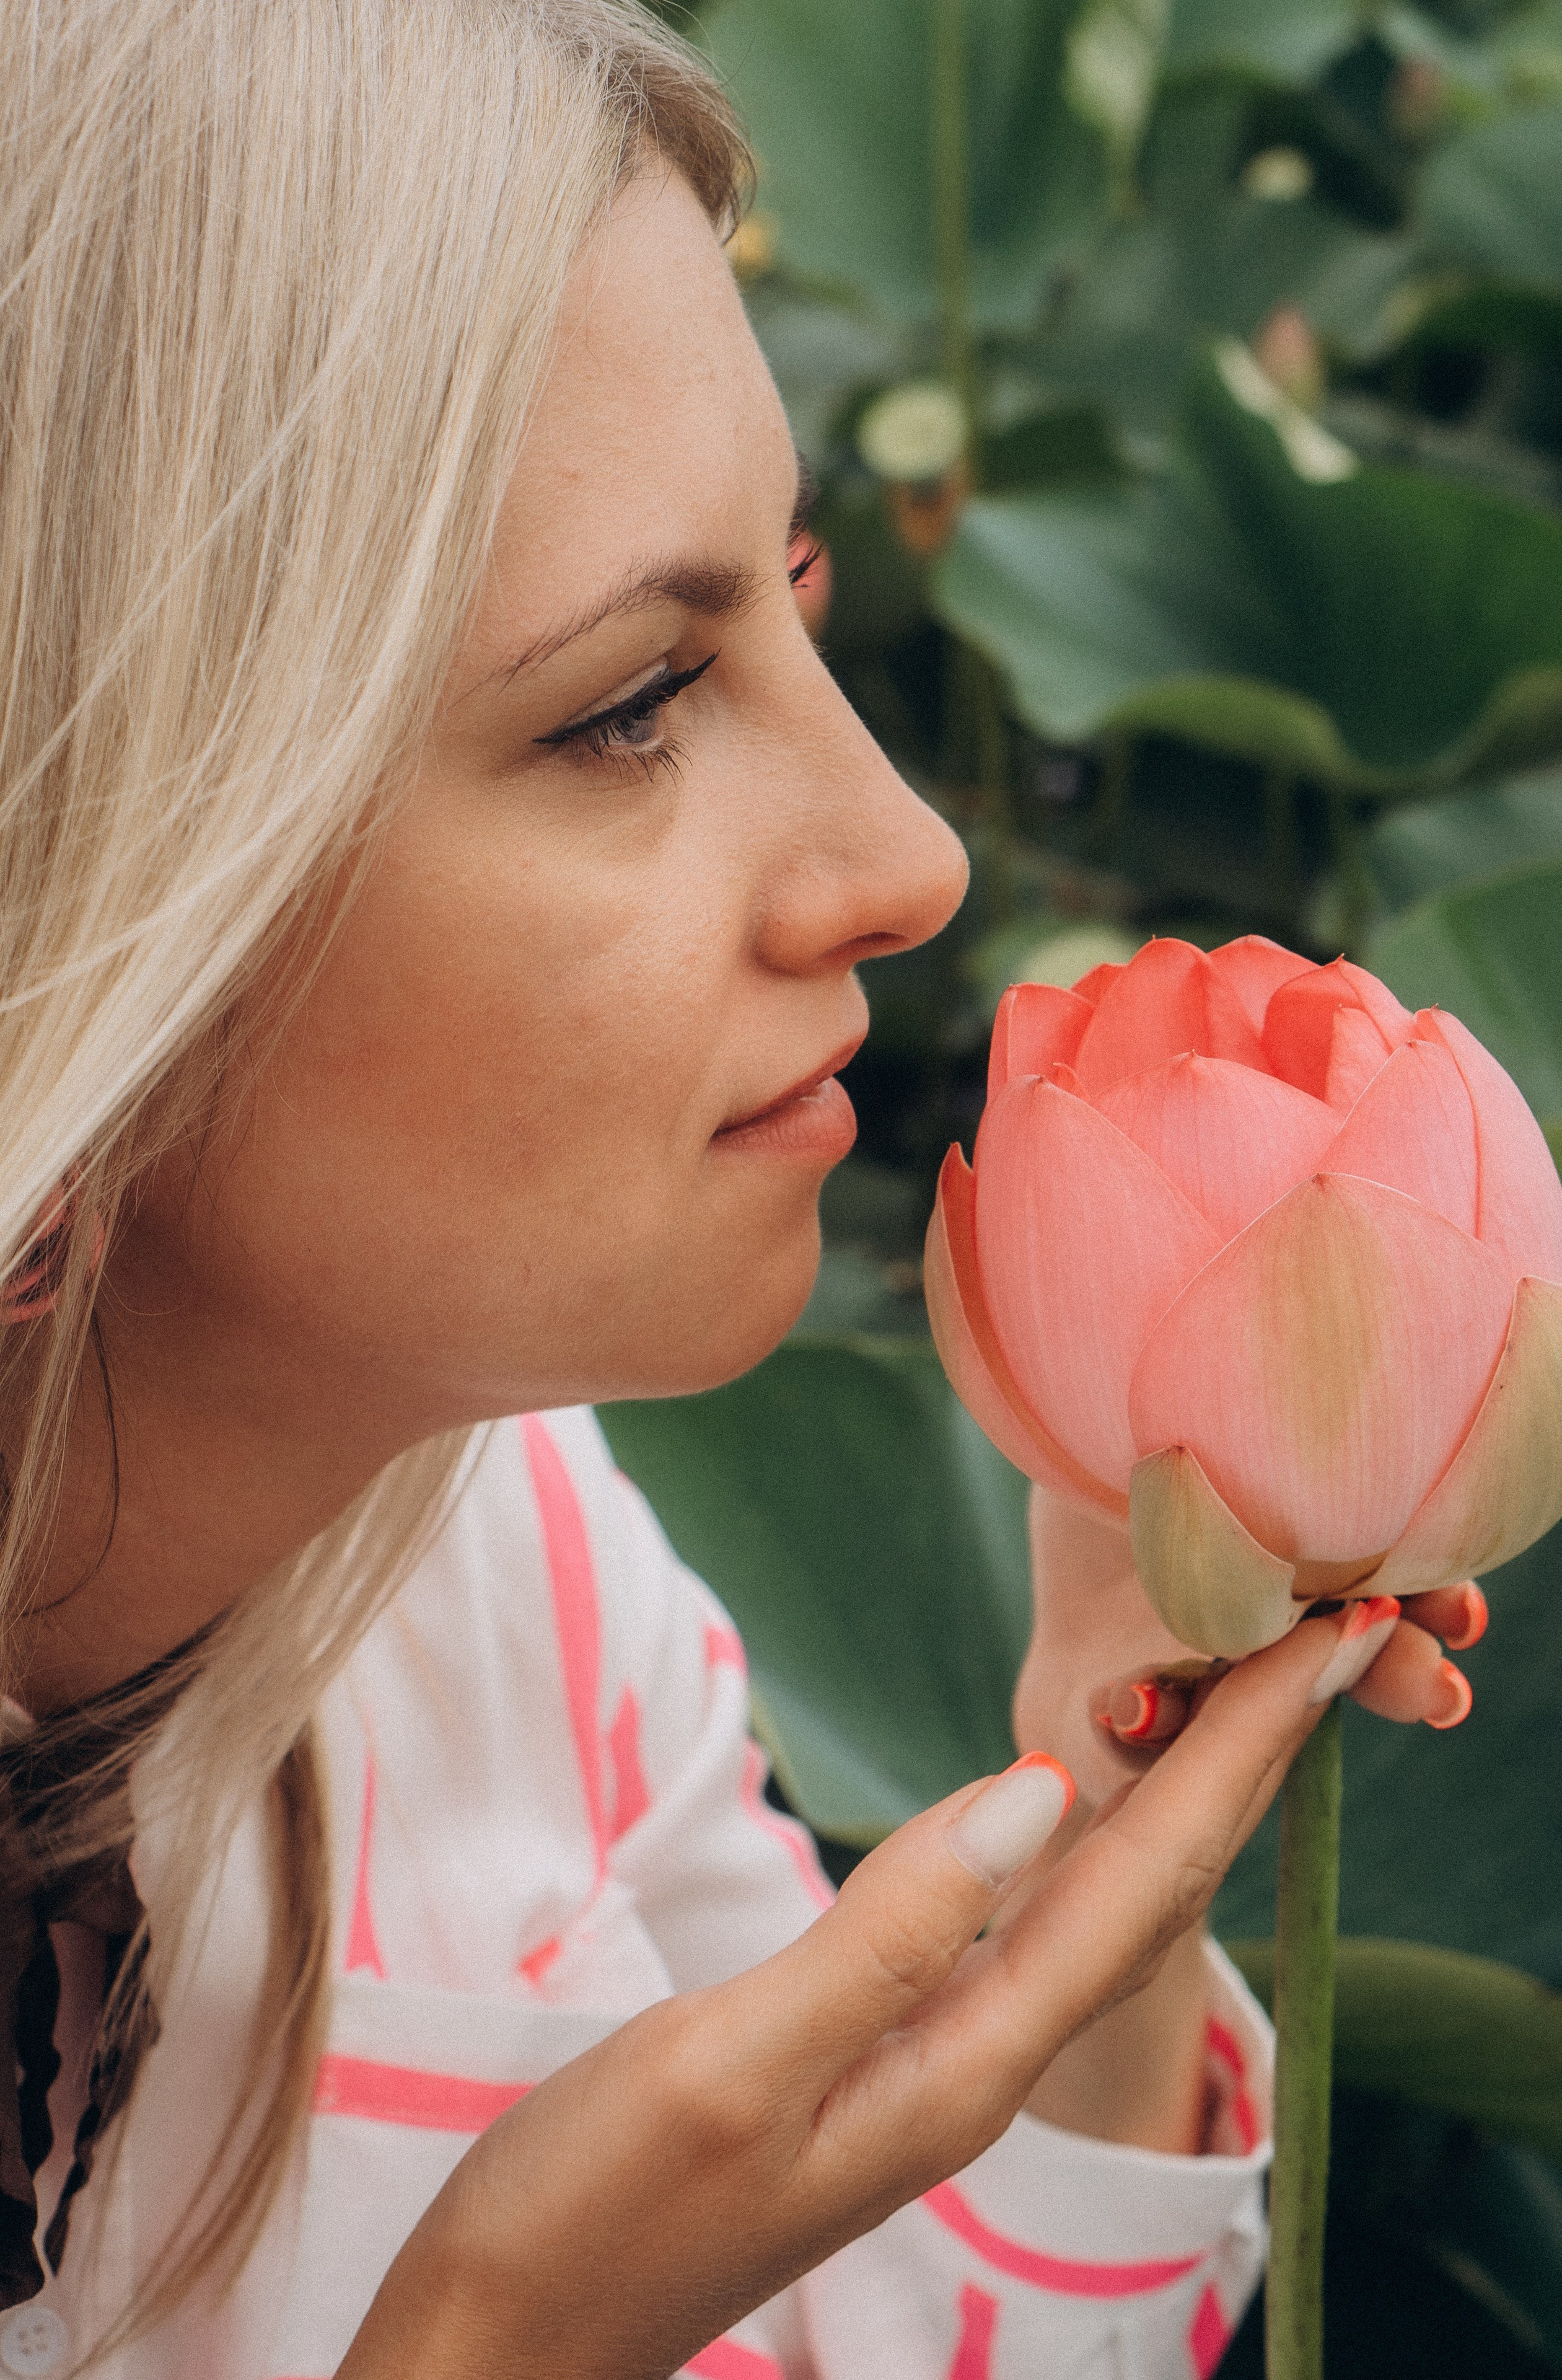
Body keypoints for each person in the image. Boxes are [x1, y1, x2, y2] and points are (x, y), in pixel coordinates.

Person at [0, 4, 1480, 2374]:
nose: (913, 858)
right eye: (626, 707)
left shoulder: (520, 1564)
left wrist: (1103, 1844)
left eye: (795, 601)